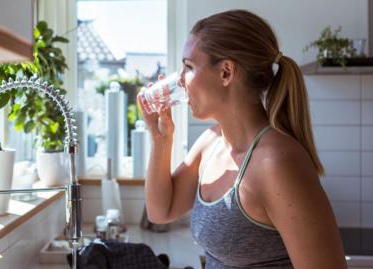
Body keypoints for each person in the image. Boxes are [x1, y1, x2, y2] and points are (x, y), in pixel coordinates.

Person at [137, 9, 347, 269]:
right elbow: (161, 211)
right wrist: (161, 140)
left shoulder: (276, 162)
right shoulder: (211, 143)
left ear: (226, 72)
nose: (180, 80)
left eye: (189, 67)